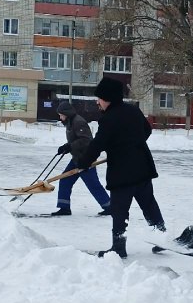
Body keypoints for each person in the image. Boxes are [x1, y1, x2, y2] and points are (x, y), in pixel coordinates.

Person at [73, 76, 164, 258]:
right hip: (143, 167)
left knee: (120, 210)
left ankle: (119, 247)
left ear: (107, 98)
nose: (97, 102)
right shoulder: (133, 110)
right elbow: (147, 130)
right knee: (148, 204)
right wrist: (132, 144)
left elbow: (97, 145)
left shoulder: (109, 119)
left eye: (99, 98)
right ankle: (161, 238)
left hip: (123, 172)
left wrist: (83, 164)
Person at [51, 101, 111, 216]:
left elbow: (86, 140)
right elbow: (75, 139)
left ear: (66, 113)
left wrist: (70, 146)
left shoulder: (78, 122)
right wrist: (66, 147)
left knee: (93, 184)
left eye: (60, 114)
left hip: (86, 159)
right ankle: (64, 208)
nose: (60, 117)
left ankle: (110, 207)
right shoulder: (70, 122)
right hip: (76, 158)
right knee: (65, 180)